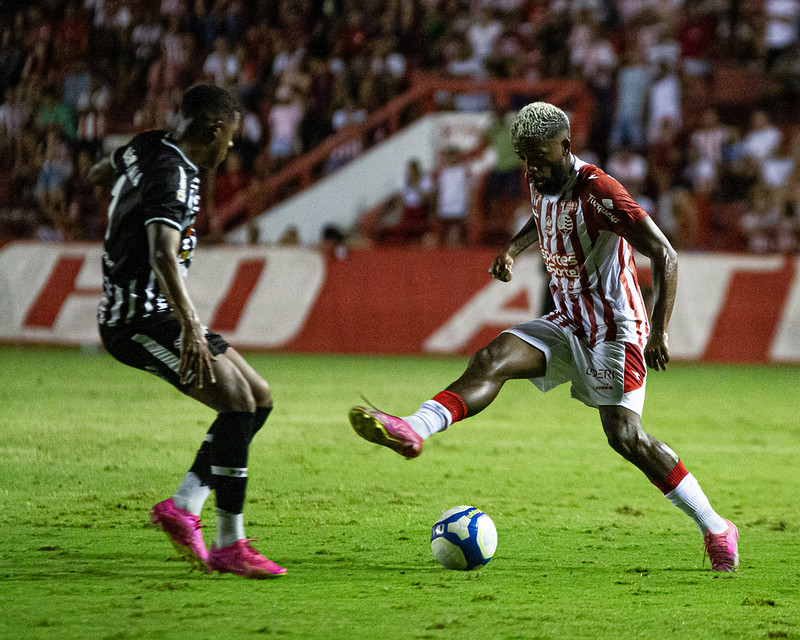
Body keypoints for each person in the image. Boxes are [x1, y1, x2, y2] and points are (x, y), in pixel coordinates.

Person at [349, 102, 739, 572]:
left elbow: (665, 254)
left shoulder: (600, 192)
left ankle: (716, 527)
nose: (532, 168)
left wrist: (659, 330)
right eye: (524, 158)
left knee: (625, 438)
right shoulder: (540, 180)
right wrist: (512, 249)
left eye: (540, 157)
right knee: (492, 357)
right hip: (568, 318)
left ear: (565, 146)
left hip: (616, 330)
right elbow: (542, 216)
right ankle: (415, 427)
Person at [89, 84, 285, 579]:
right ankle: (229, 544)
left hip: (159, 312)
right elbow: (161, 252)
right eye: (232, 137)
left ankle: (184, 504)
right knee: (237, 402)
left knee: (258, 397)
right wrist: (191, 328)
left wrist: (122, 204)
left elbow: (99, 171)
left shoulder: (148, 144)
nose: (232, 147)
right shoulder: (172, 173)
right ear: (215, 129)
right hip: (138, 319)